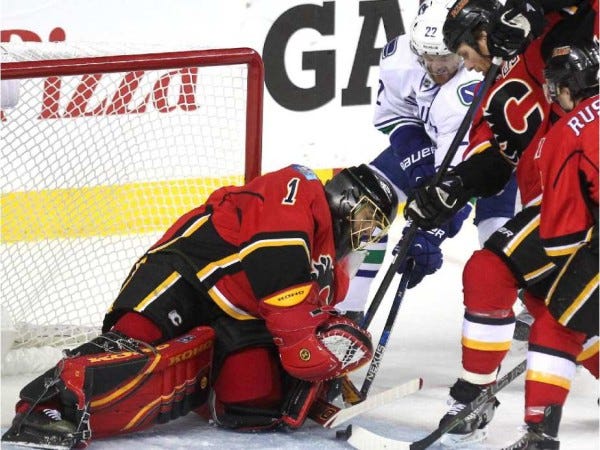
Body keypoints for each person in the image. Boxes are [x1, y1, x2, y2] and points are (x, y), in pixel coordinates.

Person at [1, 163, 398, 449]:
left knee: (253, 401)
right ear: (345, 196)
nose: (367, 231)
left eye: (376, 229)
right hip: (186, 273)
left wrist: (324, 374)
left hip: (234, 318)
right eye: (367, 217)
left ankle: (207, 383)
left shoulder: (331, 273)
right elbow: (278, 271)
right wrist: (310, 347)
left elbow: (308, 329)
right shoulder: (299, 188)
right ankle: (43, 405)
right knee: (130, 348)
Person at [404, 0, 598, 447]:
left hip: (588, 200)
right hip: (560, 205)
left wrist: (533, 8)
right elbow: (494, 161)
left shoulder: (563, 31)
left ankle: (535, 430)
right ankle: (475, 395)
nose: (464, 62)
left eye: (463, 49)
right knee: (492, 272)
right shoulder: (499, 83)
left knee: (559, 313)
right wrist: (451, 187)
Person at [335, 0, 519, 316]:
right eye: (427, 58)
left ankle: (542, 310)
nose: (436, 67)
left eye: (446, 57)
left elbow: (465, 178)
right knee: (361, 204)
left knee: (500, 238)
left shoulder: (472, 83)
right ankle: (346, 310)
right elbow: (398, 117)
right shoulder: (400, 57)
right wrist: (420, 169)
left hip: (497, 156)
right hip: (438, 142)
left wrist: (430, 233)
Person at [501, 41, 599, 449]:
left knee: (557, 323)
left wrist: (557, 272)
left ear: (562, 89)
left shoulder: (567, 132)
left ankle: (540, 436)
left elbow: (563, 234)